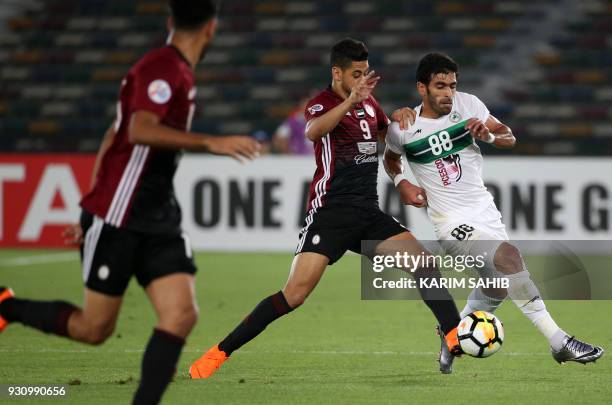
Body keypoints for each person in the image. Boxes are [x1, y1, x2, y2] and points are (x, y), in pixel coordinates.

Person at [0, 1, 260, 403]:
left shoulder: (177, 72)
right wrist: (211, 142)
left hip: (157, 215)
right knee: (94, 329)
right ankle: (7, 307)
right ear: (212, 28)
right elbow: (138, 130)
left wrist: (88, 204)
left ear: (172, 21)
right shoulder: (164, 68)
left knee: (181, 315)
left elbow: (113, 133)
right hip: (121, 215)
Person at [189, 38, 463, 379]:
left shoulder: (368, 103)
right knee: (294, 295)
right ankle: (219, 352)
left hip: (366, 213)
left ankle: (453, 335)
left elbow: (386, 137)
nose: (362, 80)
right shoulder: (322, 103)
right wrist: (350, 100)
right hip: (330, 214)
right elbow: (313, 132)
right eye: (355, 74)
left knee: (424, 265)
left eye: (365, 73)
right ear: (337, 73)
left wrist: (400, 116)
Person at [384, 52, 604, 373]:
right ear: (422, 88)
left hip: (485, 213)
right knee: (509, 257)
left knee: (498, 286)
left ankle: (451, 337)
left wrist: (485, 135)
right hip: (450, 223)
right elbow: (391, 160)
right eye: (440, 86)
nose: (448, 93)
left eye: (452, 85)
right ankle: (560, 343)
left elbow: (508, 137)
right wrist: (402, 181)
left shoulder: (469, 105)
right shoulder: (404, 126)